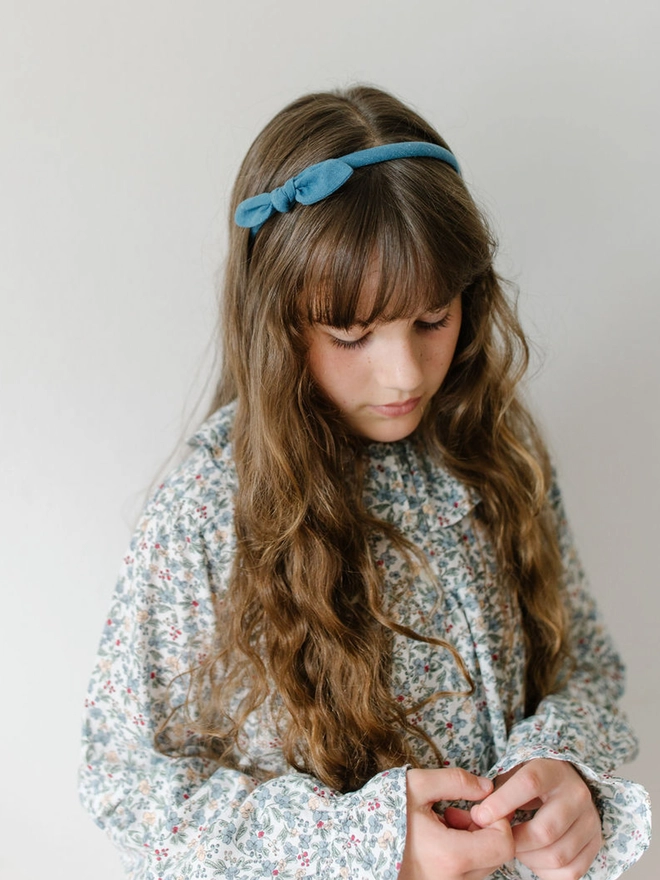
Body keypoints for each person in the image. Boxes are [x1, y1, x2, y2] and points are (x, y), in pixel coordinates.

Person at [79, 86, 650, 880]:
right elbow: (128, 786)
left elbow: (587, 663)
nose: (403, 373)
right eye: (351, 334)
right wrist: (373, 843)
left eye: (432, 319)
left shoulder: (492, 447)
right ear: (277, 322)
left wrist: (561, 770)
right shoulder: (211, 510)